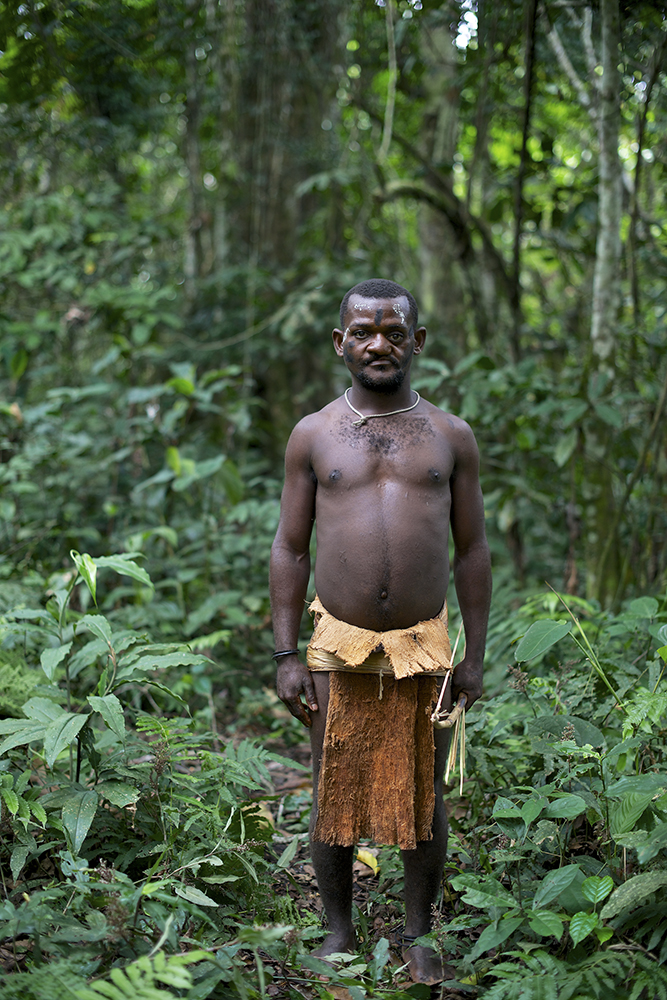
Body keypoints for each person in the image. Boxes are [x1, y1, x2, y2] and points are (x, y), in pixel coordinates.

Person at [269, 278, 491, 985]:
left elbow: (473, 550)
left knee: (424, 789)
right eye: (363, 332)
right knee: (331, 781)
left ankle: (418, 930)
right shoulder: (313, 434)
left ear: (416, 342)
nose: (378, 344)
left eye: (393, 332)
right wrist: (284, 654)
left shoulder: (449, 436)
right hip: (338, 640)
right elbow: (289, 548)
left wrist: (474, 655)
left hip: (423, 645)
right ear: (340, 343)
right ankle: (337, 930)